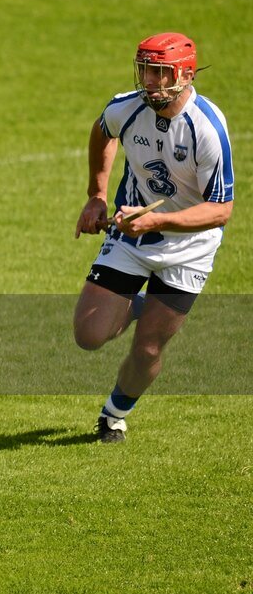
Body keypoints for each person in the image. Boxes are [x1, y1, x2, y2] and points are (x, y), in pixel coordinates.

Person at [74, 32, 234, 442]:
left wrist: (156, 223)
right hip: (131, 238)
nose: (149, 80)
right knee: (88, 335)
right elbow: (102, 131)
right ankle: (144, 302)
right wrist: (96, 195)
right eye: (145, 69)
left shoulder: (207, 131)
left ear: (184, 74)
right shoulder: (126, 108)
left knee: (148, 349)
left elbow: (221, 210)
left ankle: (113, 414)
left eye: (160, 72)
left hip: (189, 249)